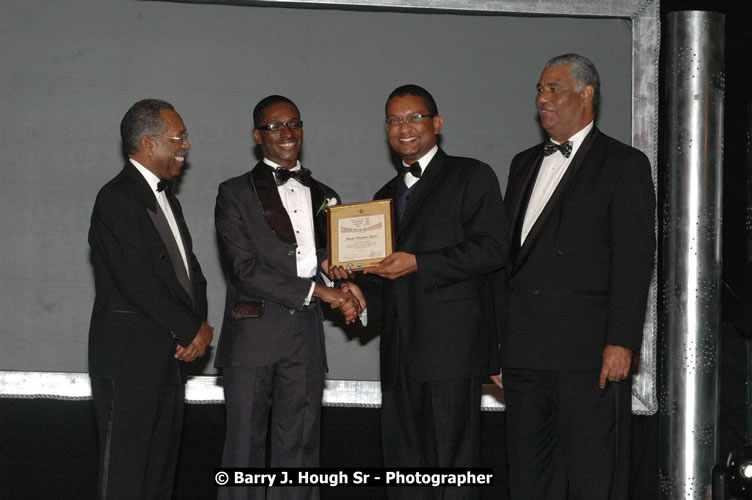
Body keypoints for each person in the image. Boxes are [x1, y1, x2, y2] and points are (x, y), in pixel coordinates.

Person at [330, 84, 507, 500]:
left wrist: (419, 262)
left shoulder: (472, 175)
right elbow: (381, 278)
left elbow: (493, 248)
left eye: (414, 117)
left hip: (452, 352)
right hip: (398, 355)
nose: (403, 127)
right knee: (405, 477)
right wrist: (355, 286)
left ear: (436, 124)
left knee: (453, 474)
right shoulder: (382, 199)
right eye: (394, 120)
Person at [495, 54, 655, 499]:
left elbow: (634, 258)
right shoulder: (522, 163)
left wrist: (622, 340)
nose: (543, 98)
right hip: (525, 355)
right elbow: (509, 263)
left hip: (589, 356)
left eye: (554, 89)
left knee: (592, 476)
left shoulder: (624, 164)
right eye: (540, 89)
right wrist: (499, 345)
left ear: (587, 95)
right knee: (529, 479)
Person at [214, 95, 360, 500]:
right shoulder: (234, 193)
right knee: (243, 454)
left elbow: (330, 259)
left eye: (294, 124)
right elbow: (243, 270)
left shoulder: (326, 195)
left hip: (305, 337)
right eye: (275, 126)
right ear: (257, 135)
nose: (287, 133)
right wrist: (321, 291)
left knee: (299, 453)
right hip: (252, 337)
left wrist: (345, 279)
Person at [88, 98, 214, 499]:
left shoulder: (169, 200)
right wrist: (191, 327)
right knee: (126, 476)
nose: (186, 146)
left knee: (159, 476)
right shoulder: (116, 198)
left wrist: (197, 331)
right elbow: (135, 279)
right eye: (179, 138)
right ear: (148, 144)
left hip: (170, 360)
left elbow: (190, 275)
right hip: (130, 362)